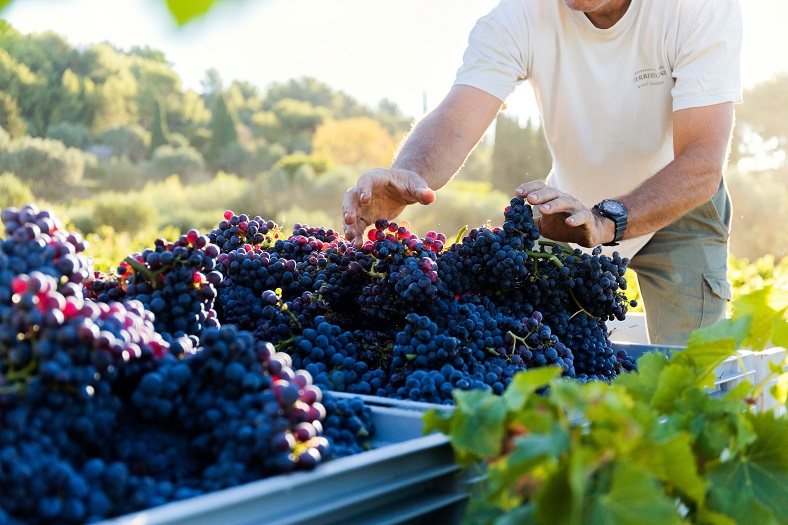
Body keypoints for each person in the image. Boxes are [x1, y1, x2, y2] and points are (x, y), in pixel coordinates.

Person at [341, 0, 742, 346]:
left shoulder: (698, 8)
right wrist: (408, 173)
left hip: (678, 205)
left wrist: (607, 221)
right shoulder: (519, 15)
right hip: (566, 214)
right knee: (542, 363)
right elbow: (457, 117)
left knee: (690, 384)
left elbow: (702, 161)